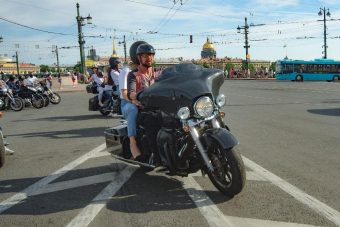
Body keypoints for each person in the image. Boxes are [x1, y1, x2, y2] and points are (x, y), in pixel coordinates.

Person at [127, 43, 165, 171]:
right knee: (152, 121)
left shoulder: (159, 72)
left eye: (151, 55)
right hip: (144, 109)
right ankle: (159, 159)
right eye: (145, 55)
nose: (149, 57)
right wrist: (139, 96)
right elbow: (130, 93)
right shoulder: (134, 75)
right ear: (139, 58)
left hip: (161, 106)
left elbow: (174, 79)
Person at [120, 41, 147, 163]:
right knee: (133, 110)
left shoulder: (147, 70)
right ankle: (133, 143)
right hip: (127, 103)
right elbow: (124, 93)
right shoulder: (126, 71)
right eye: (144, 54)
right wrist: (133, 101)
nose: (147, 57)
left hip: (144, 100)